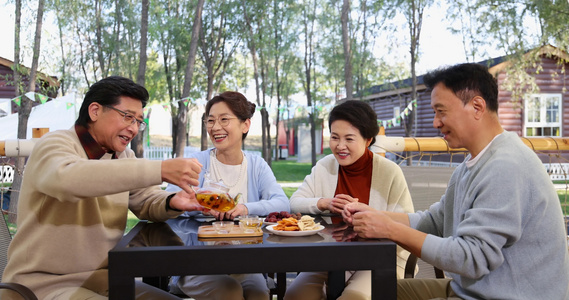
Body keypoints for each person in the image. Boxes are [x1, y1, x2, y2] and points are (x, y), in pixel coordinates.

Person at [343, 63, 569, 299]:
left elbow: (470, 258)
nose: (435, 122)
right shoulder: (471, 166)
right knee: (375, 293)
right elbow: (436, 221)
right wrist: (375, 216)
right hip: (471, 290)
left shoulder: (507, 166)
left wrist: (389, 230)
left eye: (441, 111)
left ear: (477, 107)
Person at [1, 76, 207, 300]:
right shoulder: (54, 144)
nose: (134, 128)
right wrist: (160, 169)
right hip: (41, 284)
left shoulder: (123, 156)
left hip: (103, 277)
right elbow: (69, 179)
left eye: (139, 121)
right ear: (95, 111)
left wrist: (173, 201)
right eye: (128, 117)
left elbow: (145, 198)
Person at [284, 100, 415, 300]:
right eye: (335, 137)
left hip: (377, 260)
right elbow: (295, 202)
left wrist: (368, 219)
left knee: (354, 297)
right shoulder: (325, 166)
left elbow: (407, 222)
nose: (340, 146)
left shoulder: (389, 172)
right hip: (327, 258)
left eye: (349, 139)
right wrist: (324, 203)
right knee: (295, 295)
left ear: (368, 139)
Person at [166, 91, 289, 300]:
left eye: (224, 120)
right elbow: (167, 204)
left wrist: (245, 209)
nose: (215, 127)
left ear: (245, 125)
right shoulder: (196, 163)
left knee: (259, 294)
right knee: (229, 292)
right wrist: (190, 206)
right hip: (196, 262)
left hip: (244, 262)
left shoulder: (256, 165)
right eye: (210, 121)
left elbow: (282, 202)